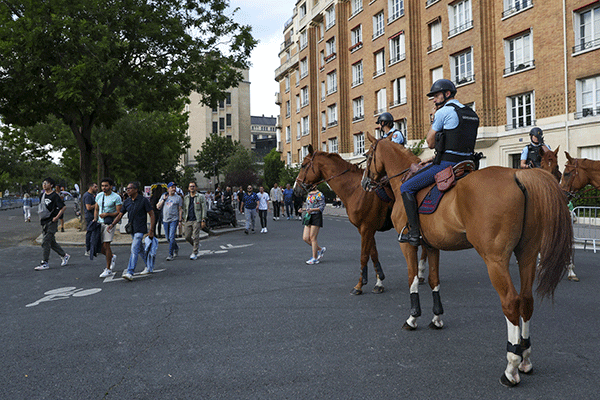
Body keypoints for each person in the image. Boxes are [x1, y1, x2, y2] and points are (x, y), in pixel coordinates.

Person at [399, 78, 479, 246]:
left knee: (405, 187)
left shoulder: (443, 112)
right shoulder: (471, 112)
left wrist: (435, 118)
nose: (434, 100)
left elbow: (430, 142)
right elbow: (456, 141)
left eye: (436, 96)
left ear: (447, 94)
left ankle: (414, 233)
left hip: (447, 164)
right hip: (469, 163)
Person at [108, 182, 155, 280]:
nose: (127, 191)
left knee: (134, 249)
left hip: (140, 229)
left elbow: (151, 214)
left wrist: (151, 229)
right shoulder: (127, 202)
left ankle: (130, 272)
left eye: (130, 189)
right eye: (127, 189)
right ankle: (149, 266)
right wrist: (112, 224)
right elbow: (120, 215)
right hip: (132, 229)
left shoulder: (143, 201)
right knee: (140, 249)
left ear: (136, 190)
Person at [34, 178, 70, 270]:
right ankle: (64, 255)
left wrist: (56, 217)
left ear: (51, 185)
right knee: (52, 242)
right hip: (44, 221)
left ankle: (45, 262)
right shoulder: (42, 195)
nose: (44, 185)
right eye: (43, 183)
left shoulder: (55, 196)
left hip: (52, 222)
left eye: (46, 183)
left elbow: (63, 207)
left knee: (45, 241)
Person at [94, 178, 122, 278]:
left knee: (106, 245)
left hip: (109, 223)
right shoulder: (99, 196)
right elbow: (96, 209)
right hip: (99, 223)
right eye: (102, 186)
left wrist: (107, 214)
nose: (104, 188)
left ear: (111, 186)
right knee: (97, 246)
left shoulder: (116, 197)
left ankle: (108, 268)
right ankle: (111, 256)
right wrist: (95, 219)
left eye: (106, 186)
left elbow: (119, 212)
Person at [156, 182, 183, 261]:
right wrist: (163, 199)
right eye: (172, 187)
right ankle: (176, 247)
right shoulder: (164, 196)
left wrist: (180, 220)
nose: (173, 189)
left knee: (171, 237)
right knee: (168, 238)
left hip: (174, 219)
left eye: (174, 187)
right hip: (165, 220)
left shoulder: (178, 198)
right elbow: (158, 206)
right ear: (168, 189)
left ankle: (170, 254)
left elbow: (180, 209)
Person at [302, 185, 326, 265]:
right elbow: (308, 205)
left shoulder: (320, 194)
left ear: (315, 185)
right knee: (305, 238)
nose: (311, 186)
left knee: (313, 237)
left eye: (312, 185)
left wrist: (312, 210)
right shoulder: (309, 194)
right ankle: (320, 249)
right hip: (308, 216)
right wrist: (303, 210)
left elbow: (322, 207)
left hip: (316, 216)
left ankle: (314, 258)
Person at [182, 181, 207, 260]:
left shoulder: (200, 196)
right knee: (187, 236)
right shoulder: (186, 198)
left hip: (197, 219)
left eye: (193, 186)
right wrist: (183, 217)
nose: (192, 188)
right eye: (190, 186)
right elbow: (184, 208)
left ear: (195, 187)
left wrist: (203, 219)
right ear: (188, 188)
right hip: (188, 219)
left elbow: (204, 208)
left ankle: (194, 252)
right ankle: (196, 245)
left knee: (195, 236)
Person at [82, 182, 98, 256]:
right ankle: (88, 249)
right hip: (89, 216)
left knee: (94, 233)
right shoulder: (87, 196)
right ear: (91, 187)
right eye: (95, 187)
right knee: (89, 233)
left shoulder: (92, 195)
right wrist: (96, 205)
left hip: (93, 216)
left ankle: (94, 248)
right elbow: (88, 207)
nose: (96, 188)